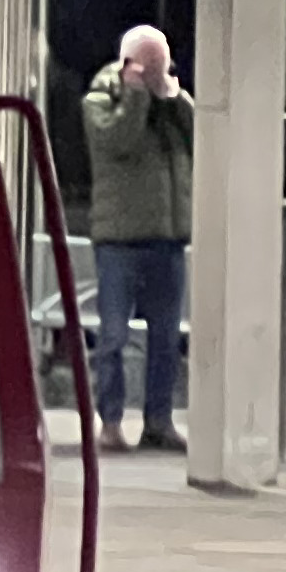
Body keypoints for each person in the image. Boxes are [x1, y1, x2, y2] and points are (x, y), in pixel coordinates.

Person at [80, 24, 195, 451]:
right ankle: (109, 422)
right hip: (119, 240)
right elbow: (119, 142)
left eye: (164, 65)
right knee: (113, 335)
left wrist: (175, 98)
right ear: (130, 65)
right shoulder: (99, 101)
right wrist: (135, 95)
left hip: (168, 238)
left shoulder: (170, 104)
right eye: (152, 65)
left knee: (166, 338)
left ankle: (158, 421)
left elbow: (202, 137)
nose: (159, 73)